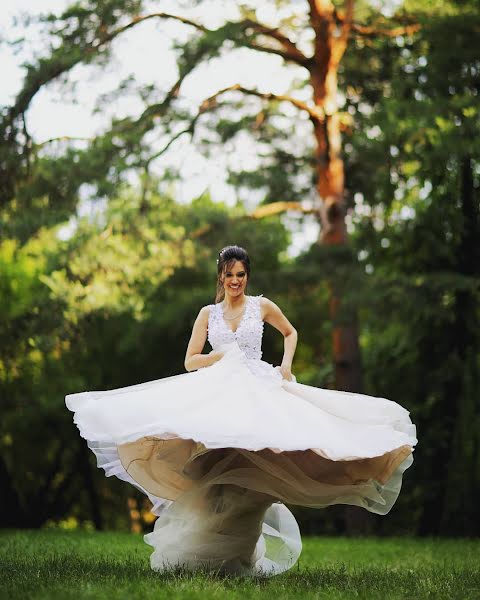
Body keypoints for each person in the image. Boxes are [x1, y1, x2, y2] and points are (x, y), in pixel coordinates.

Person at [66, 244, 417, 576]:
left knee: (258, 461)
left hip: (257, 386)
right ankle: (209, 551)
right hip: (219, 389)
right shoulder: (208, 314)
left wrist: (285, 367)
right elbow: (190, 362)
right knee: (217, 464)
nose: (235, 281)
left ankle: (238, 555)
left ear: (247, 276)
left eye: (241, 275)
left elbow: (290, 332)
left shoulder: (261, 306)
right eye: (229, 275)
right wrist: (218, 356)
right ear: (220, 276)